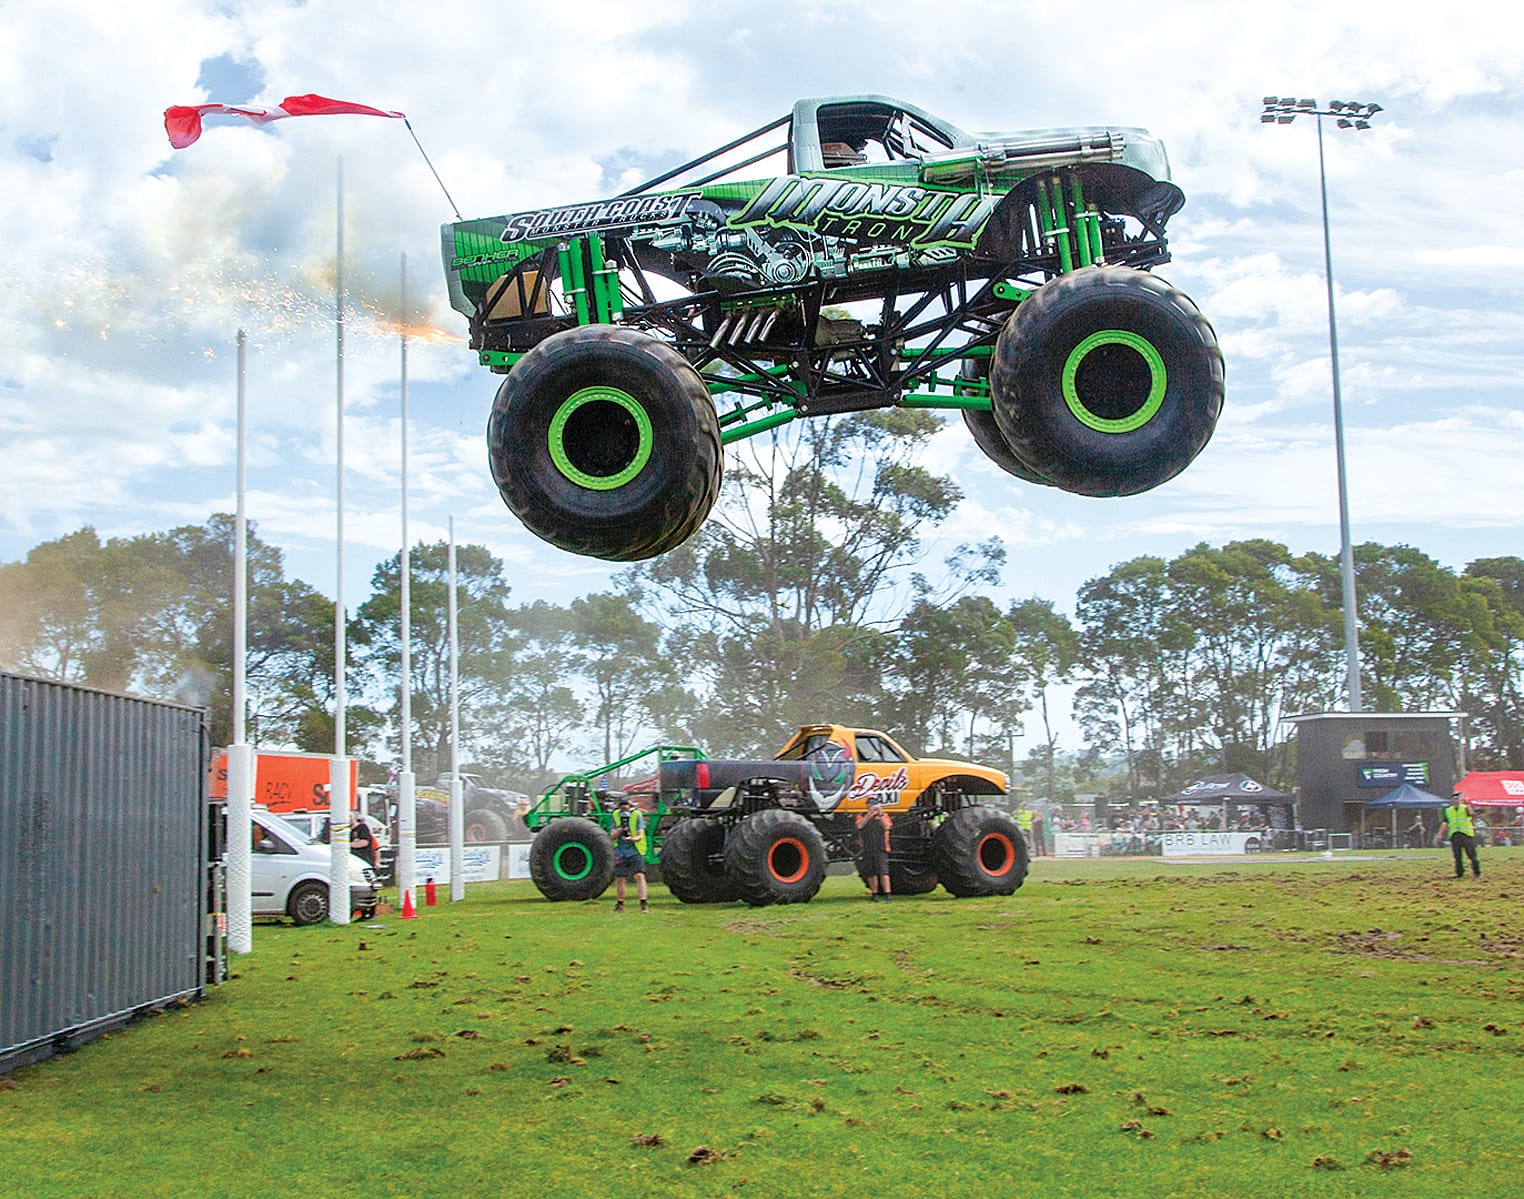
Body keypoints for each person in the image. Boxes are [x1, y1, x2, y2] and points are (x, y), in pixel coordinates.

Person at [609, 793, 649, 912]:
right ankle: (620, 904)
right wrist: (620, 831)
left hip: (635, 849)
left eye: (625, 805)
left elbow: (640, 835)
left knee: (639, 875)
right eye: (621, 806)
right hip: (620, 851)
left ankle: (643, 903)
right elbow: (611, 835)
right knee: (620, 878)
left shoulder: (636, 815)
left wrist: (632, 838)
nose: (624, 808)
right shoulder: (615, 815)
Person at [855, 798, 893, 901]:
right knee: (871, 873)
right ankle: (874, 894)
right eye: (871, 805)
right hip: (867, 847)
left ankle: (888, 894)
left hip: (881, 847)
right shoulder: (861, 815)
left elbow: (887, 826)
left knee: (883, 872)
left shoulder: (883, 815)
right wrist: (868, 815)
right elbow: (859, 826)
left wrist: (879, 815)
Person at [1439, 792, 1481, 879]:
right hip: (1455, 835)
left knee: (1472, 855)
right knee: (1457, 856)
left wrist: (1468, 805)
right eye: (1454, 799)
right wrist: (1440, 834)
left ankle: (1476, 873)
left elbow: (1472, 815)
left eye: (1457, 799)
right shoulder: (1448, 810)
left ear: (1461, 800)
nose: (1456, 801)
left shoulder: (1465, 808)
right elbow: (1445, 822)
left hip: (1466, 835)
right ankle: (1459, 873)